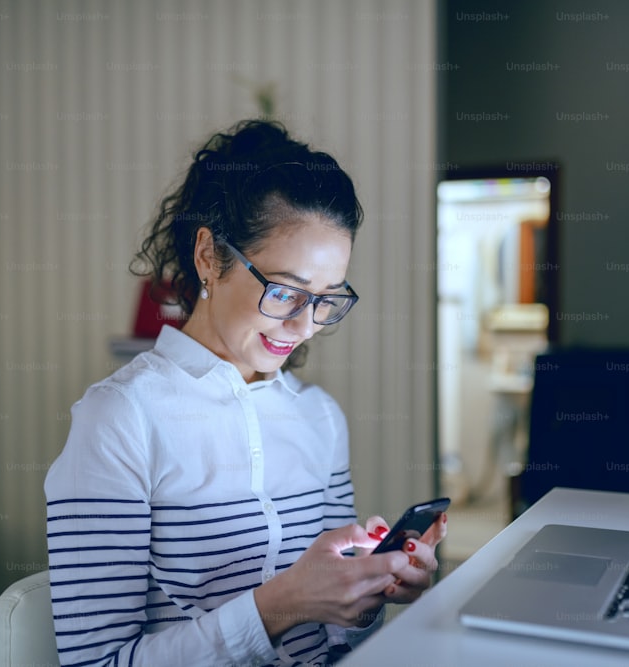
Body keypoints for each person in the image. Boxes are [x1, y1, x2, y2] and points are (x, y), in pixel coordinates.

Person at [44, 119, 447, 666]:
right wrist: (280, 604)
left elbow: (337, 639)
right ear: (209, 256)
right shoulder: (121, 418)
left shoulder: (319, 417)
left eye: (327, 299)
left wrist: (370, 591)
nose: (306, 325)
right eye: (285, 291)